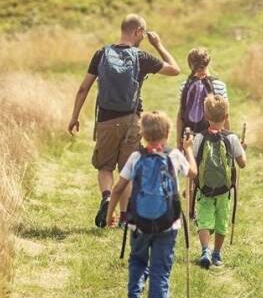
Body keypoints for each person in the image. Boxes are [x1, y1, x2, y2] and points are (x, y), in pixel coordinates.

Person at [69, 14, 180, 228]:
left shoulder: (101, 54)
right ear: (138, 31)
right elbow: (174, 69)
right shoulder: (140, 56)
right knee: (126, 169)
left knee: (104, 166)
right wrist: (158, 44)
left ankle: (107, 197)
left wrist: (74, 116)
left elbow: (84, 88)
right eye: (143, 34)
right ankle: (123, 217)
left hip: (106, 120)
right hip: (132, 120)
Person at [106, 111, 197, 298]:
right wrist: (188, 149)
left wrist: (109, 214)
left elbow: (118, 188)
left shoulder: (136, 157)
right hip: (168, 224)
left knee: (138, 261)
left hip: (139, 223)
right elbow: (193, 173)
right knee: (160, 271)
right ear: (167, 132)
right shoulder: (173, 155)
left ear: (142, 133)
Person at [192, 95, 247, 268]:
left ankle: (205, 251)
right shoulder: (232, 138)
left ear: (205, 116)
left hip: (204, 189)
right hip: (224, 190)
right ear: (226, 116)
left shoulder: (199, 138)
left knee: (204, 219)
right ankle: (216, 254)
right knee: (221, 221)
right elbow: (242, 164)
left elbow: (193, 161)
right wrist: (242, 150)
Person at [176, 47, 229, 148]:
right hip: (213, 139)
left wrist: (179, 141)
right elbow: (226, 115)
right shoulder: (219, 85)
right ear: (208, 62)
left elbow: (180, 115)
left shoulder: (185, 85)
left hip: (189, 138)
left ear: (190, 65)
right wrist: (228, 138)